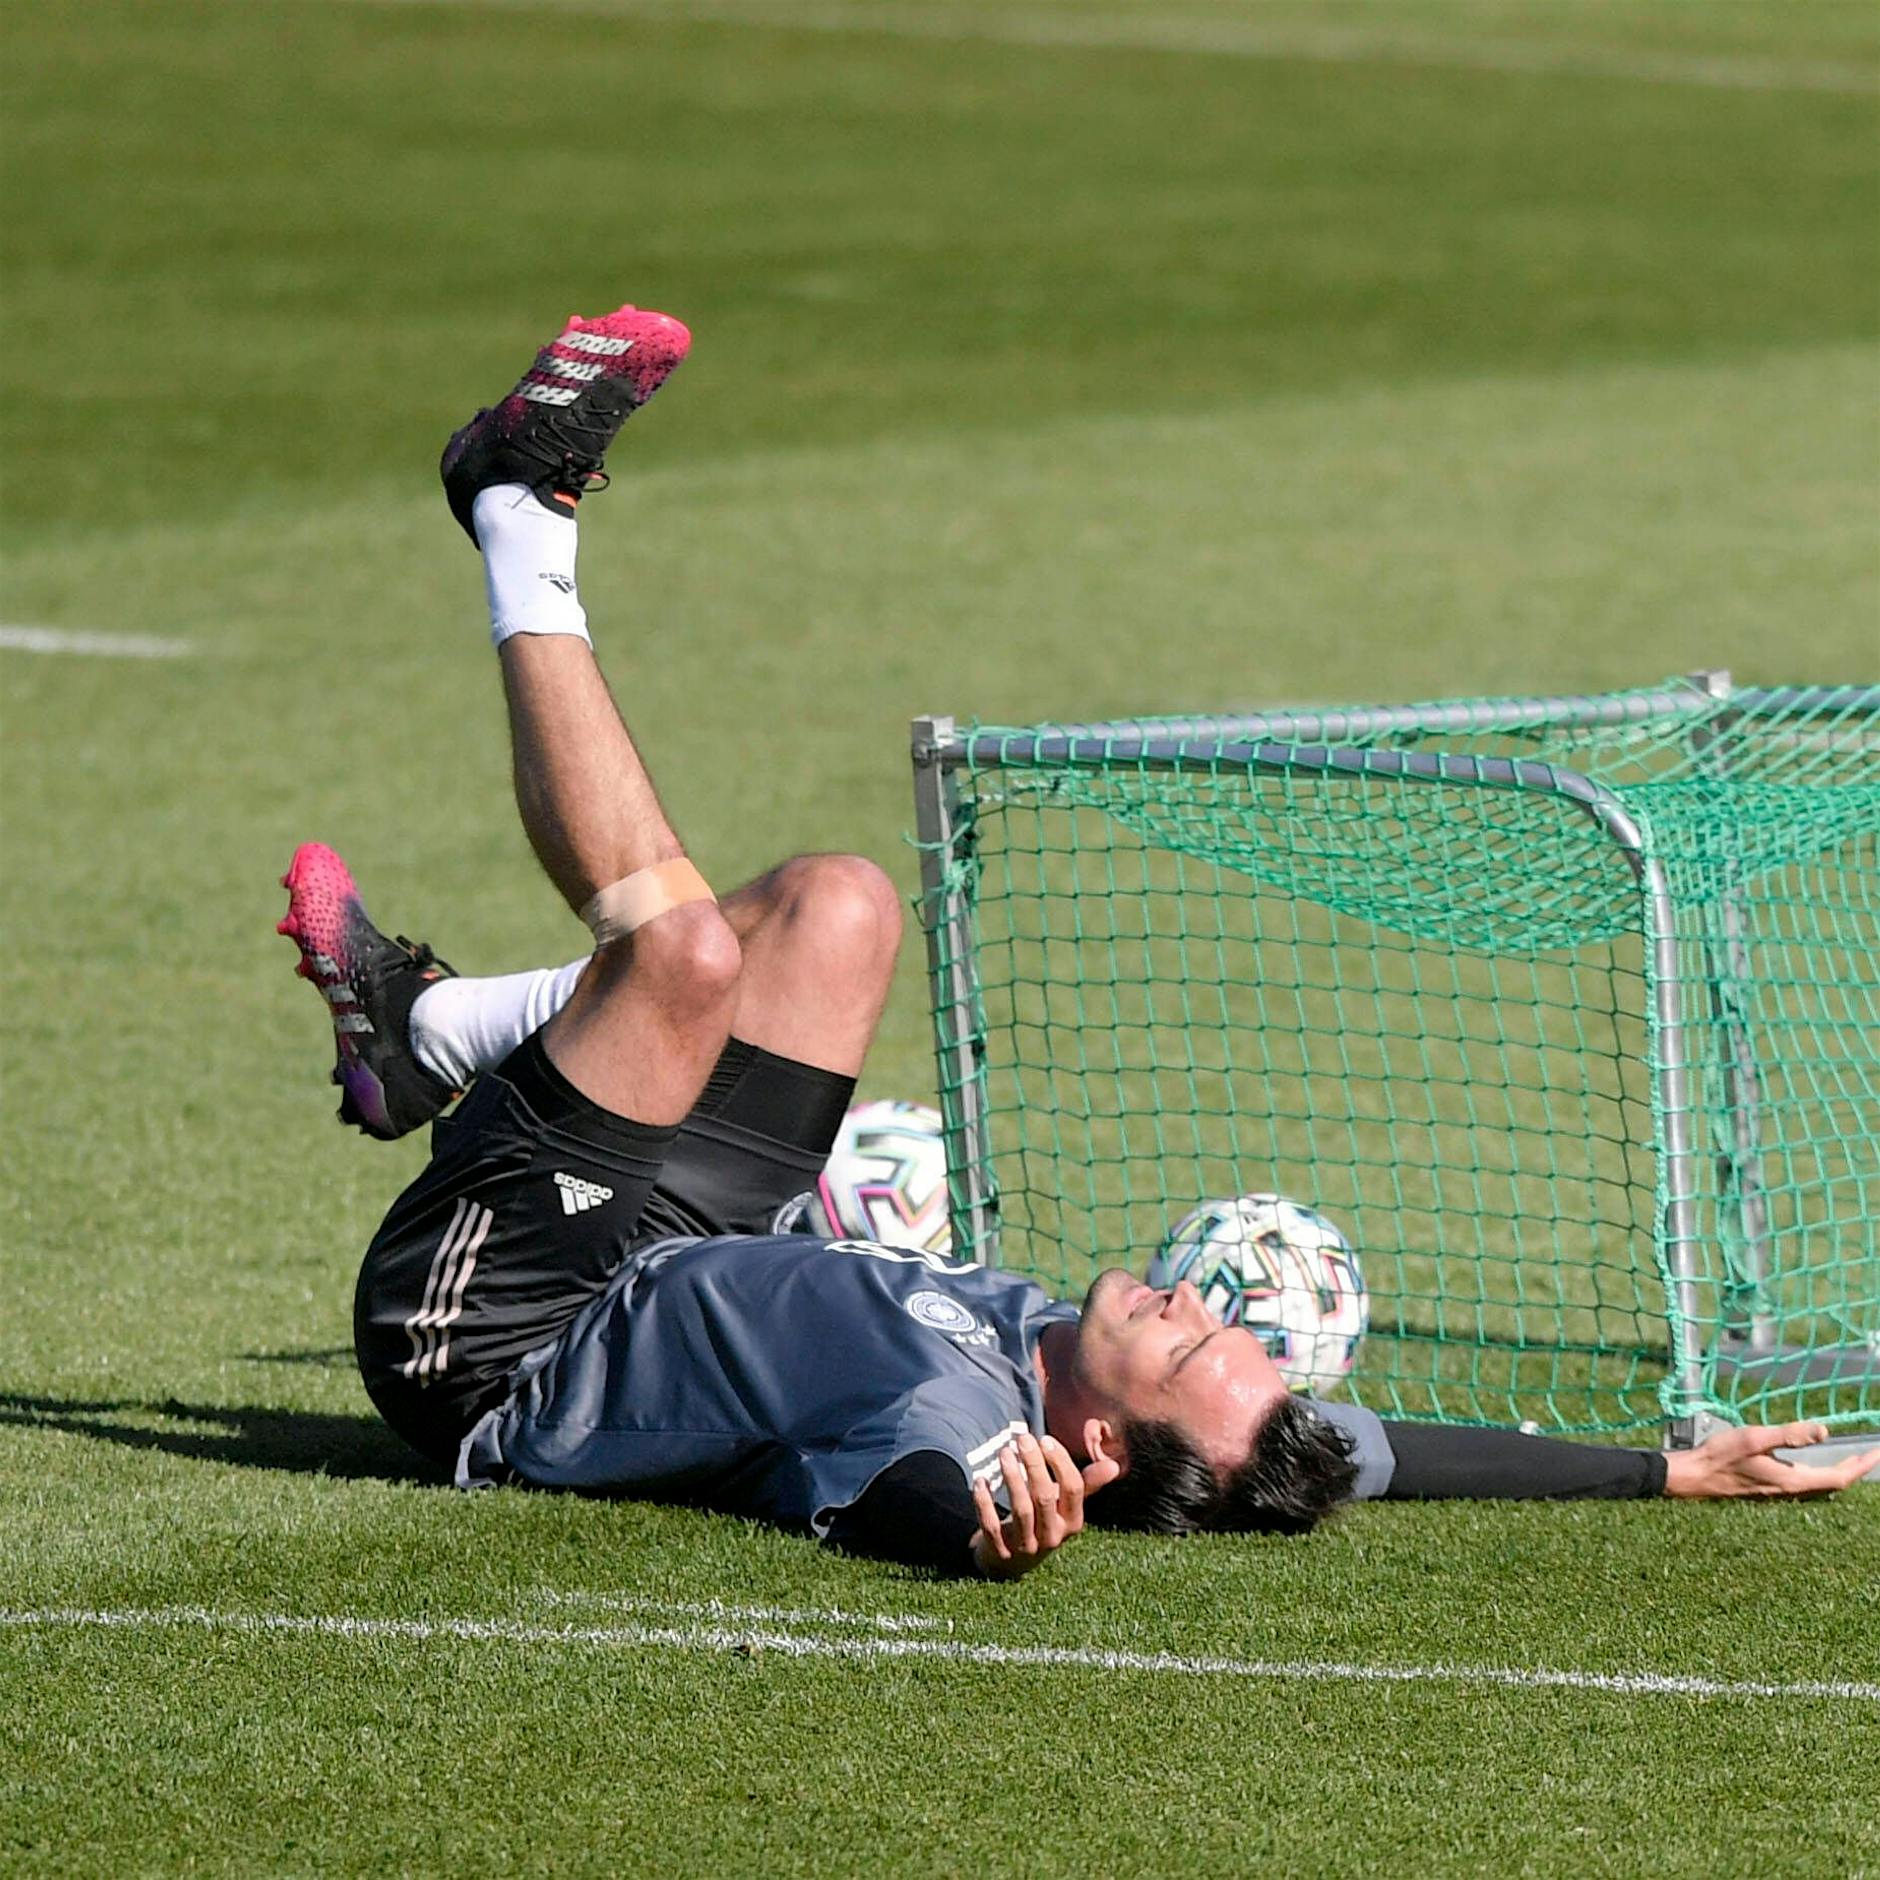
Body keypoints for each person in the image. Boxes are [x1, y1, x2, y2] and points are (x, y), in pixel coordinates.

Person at [278, 301, 1879, 1580]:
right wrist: (1668, 1468)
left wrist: (989, 1533)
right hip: (687, 1233)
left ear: (1097, 1452)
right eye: (1234, 1333)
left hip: (501, 1332)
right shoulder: (1085, 1352)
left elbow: (916, 1488)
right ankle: (425, 1035)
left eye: (1194, 1351)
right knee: (840, 908)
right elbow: (1399, 1450)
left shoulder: (960, 1416)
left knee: (686, 956)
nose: (1211, 1314)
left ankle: (513, 502)